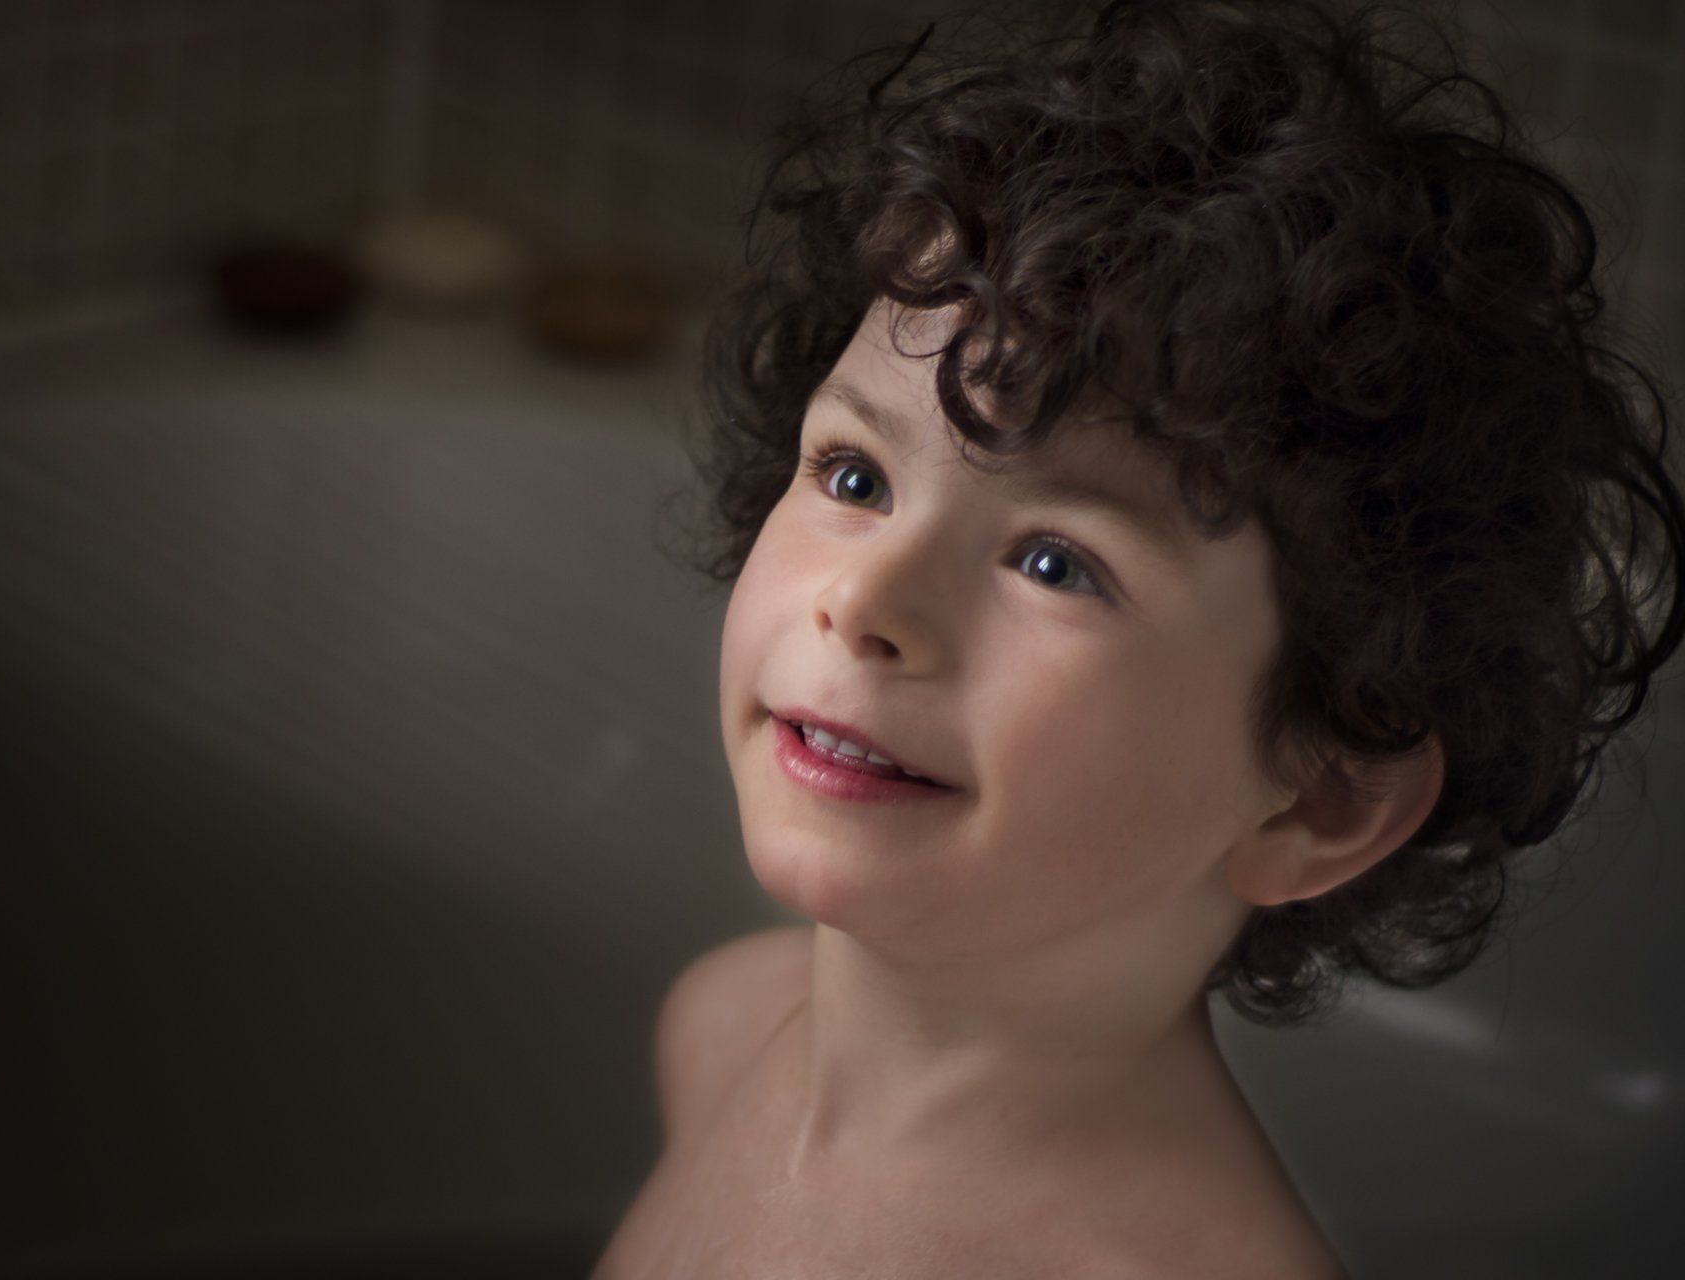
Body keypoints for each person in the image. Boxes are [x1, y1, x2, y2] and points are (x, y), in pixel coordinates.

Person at [595, 0, 1685, 1274]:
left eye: (1055, 561)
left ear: (1320, 798)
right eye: (851, 476)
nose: (869, 601)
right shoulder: (720, 1029)